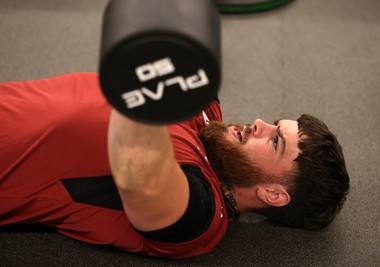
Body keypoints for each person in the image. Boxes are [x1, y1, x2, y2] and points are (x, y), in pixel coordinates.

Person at [0, 72, 349, 258]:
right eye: (275, 123)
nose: (260, 124)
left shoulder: (200, 214)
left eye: (275, 141)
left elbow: (140, 173)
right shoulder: (207, 115)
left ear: (273, 193)